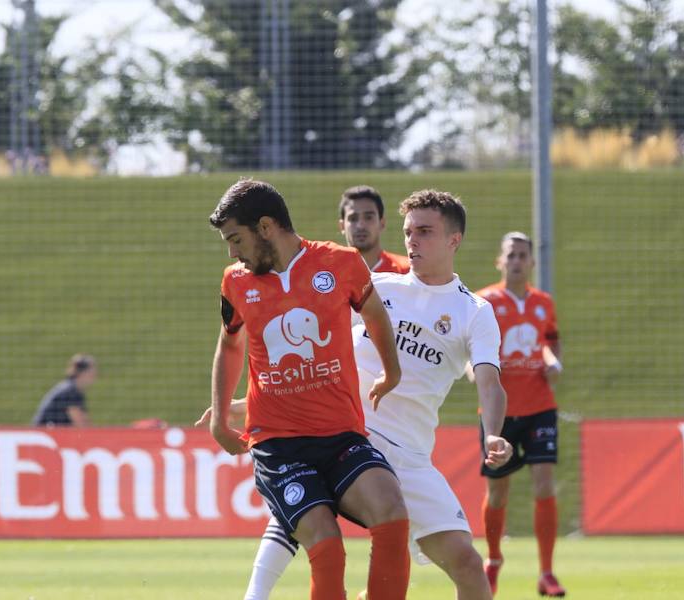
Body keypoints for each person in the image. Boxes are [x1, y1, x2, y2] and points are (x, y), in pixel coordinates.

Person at [207, 189, 512, 600]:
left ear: (454, 239)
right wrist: (256, 400)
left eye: (425, 232)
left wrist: (492, 433)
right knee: (310, 519)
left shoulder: (474, 312)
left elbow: (489, 381)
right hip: (350, 431)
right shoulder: (378, 284)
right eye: (408, 232)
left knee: (468, 564)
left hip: (409, 454)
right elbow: (304, 335)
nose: (412, 241)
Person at [208, 178, 411, 600]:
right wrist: (220, 416)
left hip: (341, 436)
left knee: (391, 512)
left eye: (235, 239)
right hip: (278, 445)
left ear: (266, 227)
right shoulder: (236, 282)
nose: (232, 252)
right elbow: (229, 344)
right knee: (327, 545)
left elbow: (374, 314)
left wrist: (391, 372)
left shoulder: (340, 263)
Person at [475, 232, 566, 597]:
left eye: (523, 255)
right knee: (498, 493)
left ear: (531, 263)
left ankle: (546, 572)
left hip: (540, 407)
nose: (516, 261)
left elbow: (550, 341)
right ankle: (494, 559)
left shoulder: (544, 303)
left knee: (544, 485)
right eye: (510, 255)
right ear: (501, 261)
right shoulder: (484, 302)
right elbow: (471, 346)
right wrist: (473, 368)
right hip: (500, 413)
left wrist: (554, 361)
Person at [338, 185, 410, 273]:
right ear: (342, 226)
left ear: (382, 223)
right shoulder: (331, 274)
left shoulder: (407, 272)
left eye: (368, 217)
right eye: (353, 218)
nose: (360, 225)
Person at [31, 354, 97, 427]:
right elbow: (81, 424)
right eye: (92, 372)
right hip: (47, 432)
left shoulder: (70, 388)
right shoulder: (71, 391)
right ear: (83, 373)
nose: (95, 375)